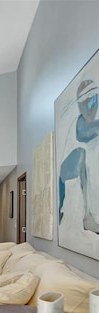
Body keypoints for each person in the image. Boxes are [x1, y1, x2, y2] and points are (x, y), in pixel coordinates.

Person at [58, 78, 99, 233]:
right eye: (87, 101)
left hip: (82, 164)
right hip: (68, 170)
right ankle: (87, 216)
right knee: (83, 161)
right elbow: (82, 135)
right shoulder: (80, 124)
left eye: (94, 100)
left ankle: (89, 215)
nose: (92, 105)